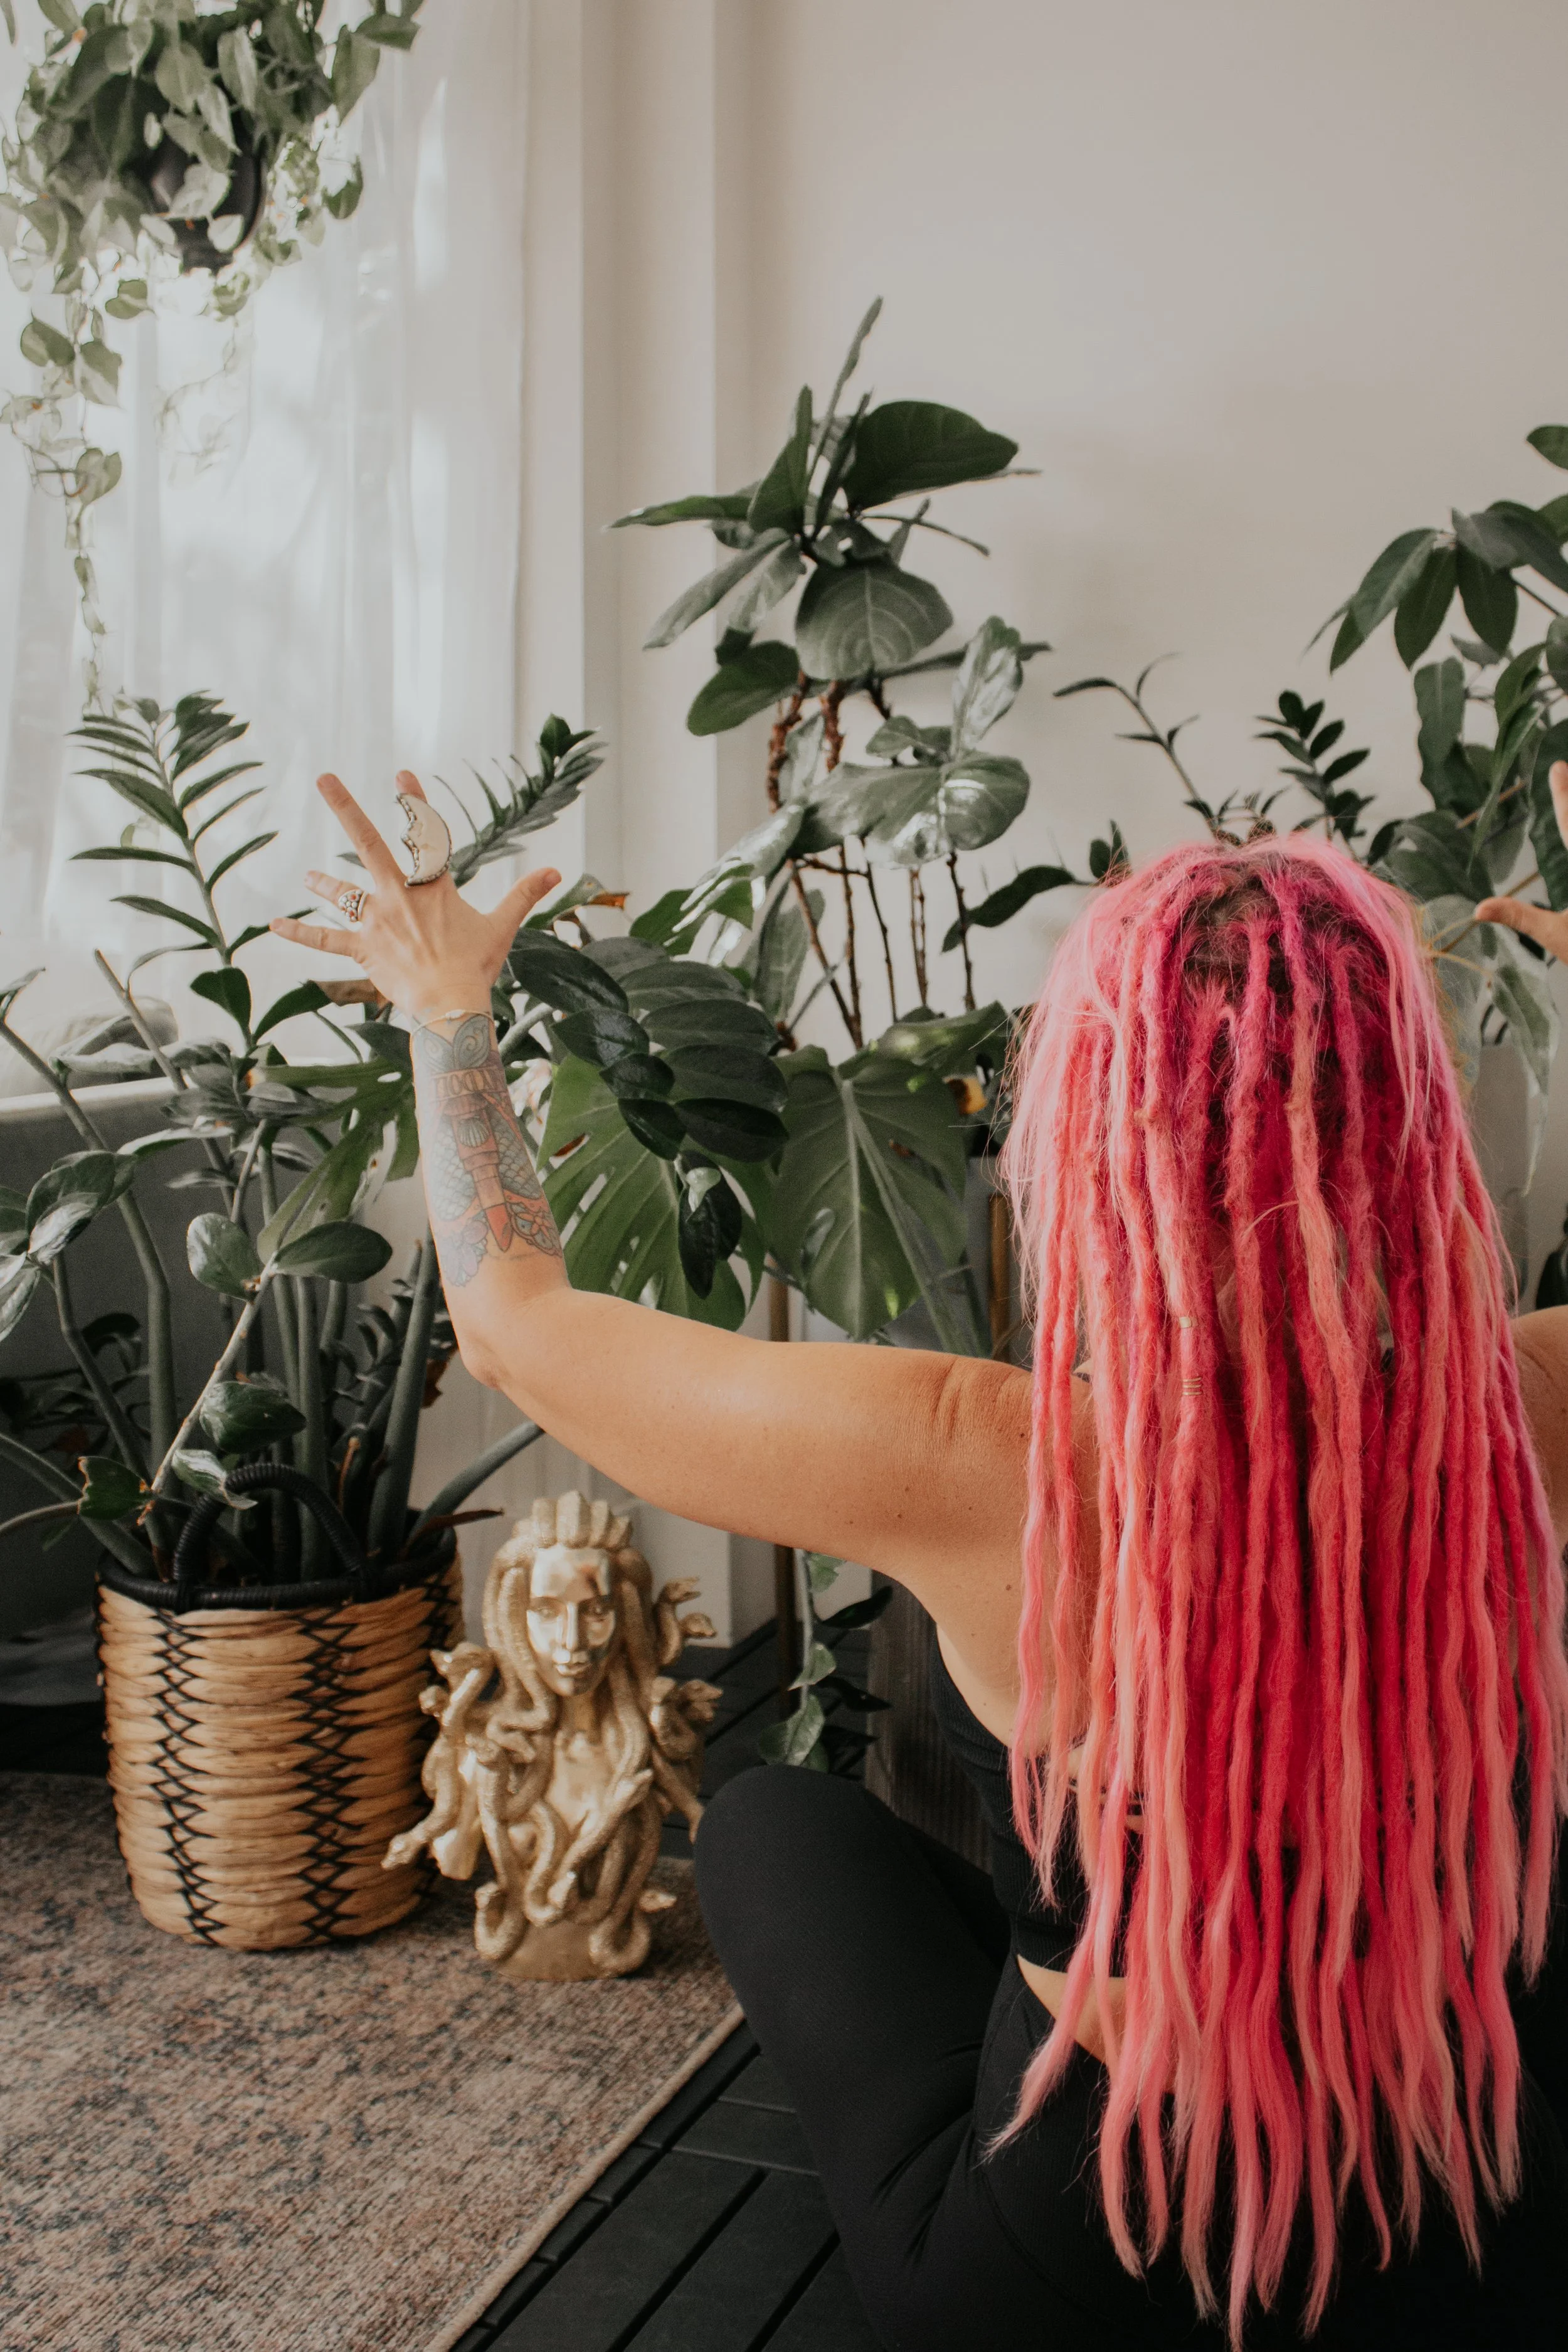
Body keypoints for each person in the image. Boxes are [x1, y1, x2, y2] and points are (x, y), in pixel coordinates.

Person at [273, 766, 1568, 2350]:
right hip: (1472, 2183)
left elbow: (518, 1329)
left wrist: (446, 1004)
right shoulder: (1527, 1413)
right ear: (1404, 1123)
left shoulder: (975, 1460)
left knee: (767, 1825)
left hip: (1084, 2278)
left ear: (1093, 1132)